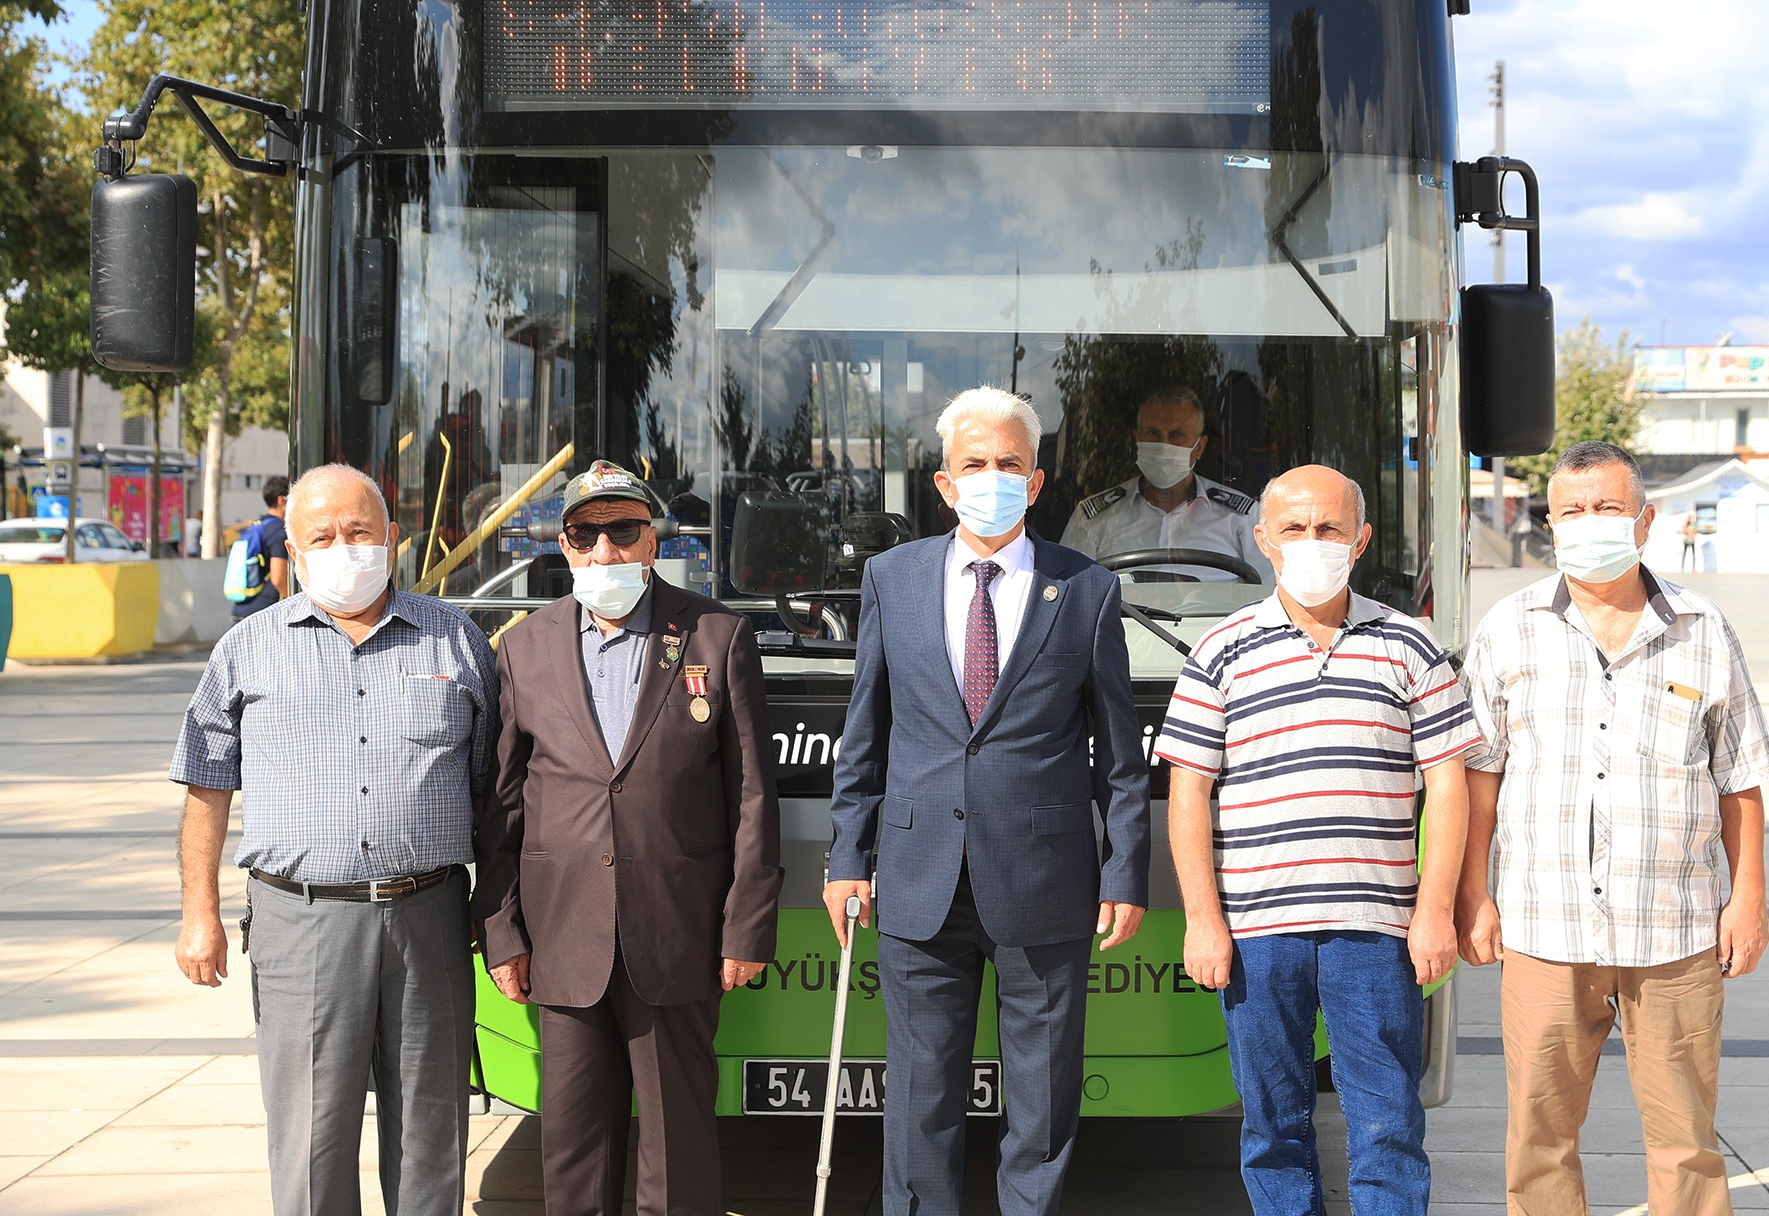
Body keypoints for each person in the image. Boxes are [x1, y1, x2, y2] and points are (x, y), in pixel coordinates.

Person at [825, 386, 1151, 1216]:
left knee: (1041, 1109)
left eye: (1010, 463)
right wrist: (846, 857)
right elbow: (865, 733)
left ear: (1037, 483)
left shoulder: (1087, 589)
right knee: (919, 1104)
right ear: (943, 481)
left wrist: (1125, 873)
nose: (992, 477)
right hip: (916, 874)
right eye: (976, 463)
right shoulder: (889, 580)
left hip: (1044, 881)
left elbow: (1119, 755)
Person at [1457, 441, 1769, 1216]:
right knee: (1538, 1137)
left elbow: (1740, 775)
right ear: (1549, 523)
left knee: (1686, 1141)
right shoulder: (1509, 628)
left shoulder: (1703, 628)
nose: (1589, 523)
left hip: (1673, 931)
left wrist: (1750, 899)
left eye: (1607, 507)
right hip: (1545, 928)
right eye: (1572, 510)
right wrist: (1475, 891)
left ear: (1645, 520)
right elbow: (1479, 779)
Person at [169, 463, 498, 1216]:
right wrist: (199, 912)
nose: (344, 547)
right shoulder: (247, 649)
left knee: (431, 1135)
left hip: (431, 918)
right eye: (323, 535)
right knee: (312, 1146)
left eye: (359, 531)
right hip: (301, 922)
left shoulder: (457, 639)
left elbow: (493, 789)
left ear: (392, 538)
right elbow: (205, 786)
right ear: (293, 545)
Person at [1156, 464, 1476, 1216]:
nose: (1311, 543)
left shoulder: (1411, 645)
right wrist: (1203, 919)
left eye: (1328, 528)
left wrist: (1435, 911)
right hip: (1257, 932)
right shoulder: (1221, 651)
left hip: (1377, 931)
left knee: (1387, 1120)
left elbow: (1450, 786)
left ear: (1360, 538)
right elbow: (1187, 794)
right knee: (1272, 1123)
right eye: (1293, 529)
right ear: (1262, 539)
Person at [474, 459, 782, 1216]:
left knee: (677, 1143)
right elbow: (504, 805)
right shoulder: (524, 647)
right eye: (586, 533)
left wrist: (746, 923)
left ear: (651, 541)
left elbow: (751, 795)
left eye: (622, 530)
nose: (605, 550)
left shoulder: (716, 633)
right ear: (564, 546)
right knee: (574, 1143)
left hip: (677, 930)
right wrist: (501, 929)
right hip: (563, 930)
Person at [1061, 384, 1271, 583]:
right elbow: (1069, 595)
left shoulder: (1242, 519)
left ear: (1200, 447)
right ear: (1137, 440)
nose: (1163, 445)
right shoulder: (1094, 519)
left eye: (1176, 435)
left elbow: (1271, 595)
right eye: (1153, 433)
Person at [228, 475, 292, 615]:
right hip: (264, 612)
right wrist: (294, 602)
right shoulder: (278, 530)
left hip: (240, 609)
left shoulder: (256, 526)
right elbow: (278, 578)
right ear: (281, 500)